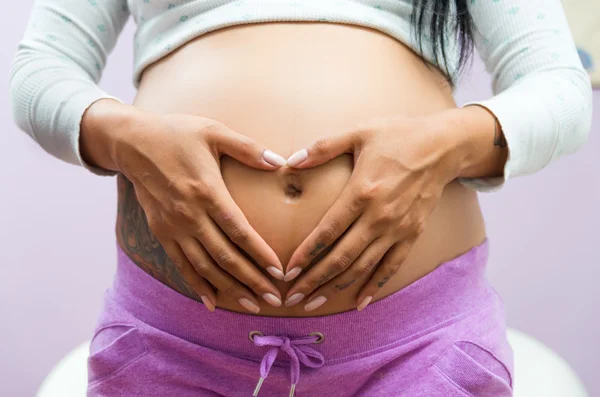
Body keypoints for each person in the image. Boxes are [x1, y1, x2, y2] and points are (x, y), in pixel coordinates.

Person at [9, 0, 592, 396]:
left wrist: (444, 143)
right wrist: (124, 135)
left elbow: (559, 92)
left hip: (413, 346)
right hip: (174, 343)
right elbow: (40, 72)